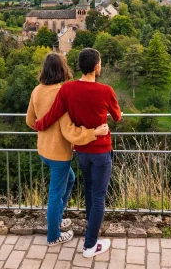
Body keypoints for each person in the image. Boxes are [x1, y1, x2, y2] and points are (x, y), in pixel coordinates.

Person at [35, 48, 122, 259]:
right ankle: (90, 245)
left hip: (82, 152)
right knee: (99, 196)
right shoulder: (106, 90)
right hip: (101, 151)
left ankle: (90, 236)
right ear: (96, 67)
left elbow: (53, 114)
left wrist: (39, 124)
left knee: (89, 190)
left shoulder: (67, 90)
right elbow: (117, 116)